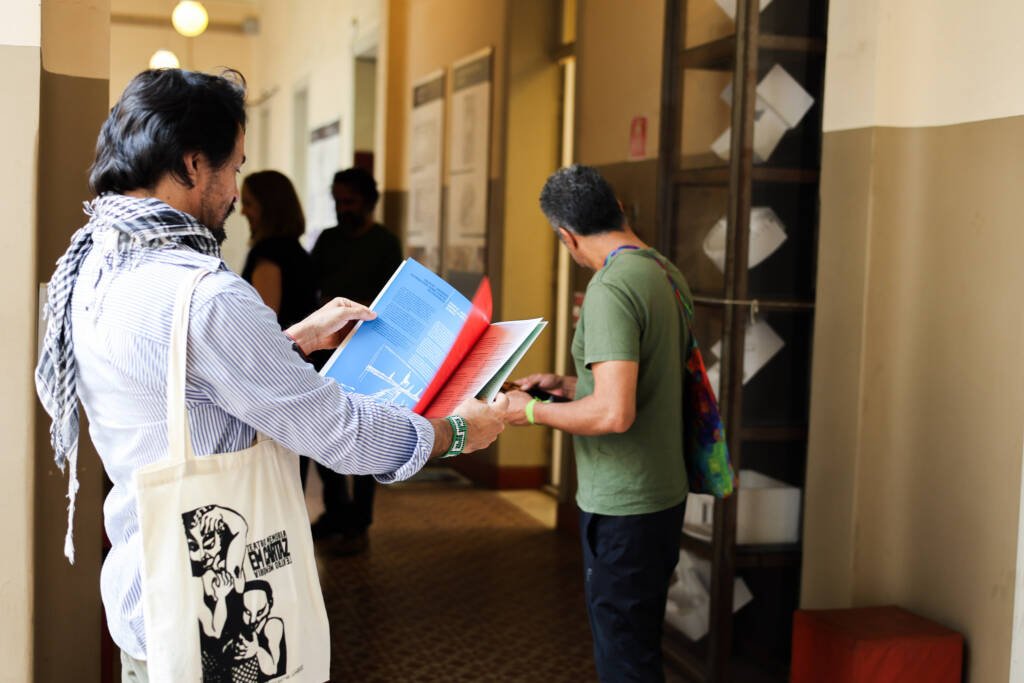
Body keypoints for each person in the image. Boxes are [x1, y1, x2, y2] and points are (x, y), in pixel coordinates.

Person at [33, 67, 506, 680]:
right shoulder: (205, 296)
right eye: (234, 168)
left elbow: (175, 383)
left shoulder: (92, 260)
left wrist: (289, 342)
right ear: (192, 163)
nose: (235, 191)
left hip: (145, 599)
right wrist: (455, 431)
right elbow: (338, 432)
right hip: (220, 630)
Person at [503, 165, 690, 682]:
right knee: (639, 646)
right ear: (619, 210)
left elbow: (613, 412)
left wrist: (532, 410)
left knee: (623, 660)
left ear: (566, 236)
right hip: (662, 495)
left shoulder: (609, 288)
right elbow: (641, 381)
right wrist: (569, 385)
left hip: (624, 504)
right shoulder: (661, 270)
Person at [306, 167, 403, 552]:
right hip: (327, 351)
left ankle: (359, 520)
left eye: (350, 202)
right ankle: (336, 510)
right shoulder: (328, 241)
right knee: (326, 432)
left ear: (369, 201)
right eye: (338, 201)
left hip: (370, 351)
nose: (343, 209)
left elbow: (392, 297)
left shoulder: (384, 243)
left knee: (369, 432)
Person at [239, 170, 318, 330]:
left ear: (268, 207)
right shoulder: (295, 251)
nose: (242, 212)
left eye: (248, 204)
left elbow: (265, 324)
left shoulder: (269, 254)